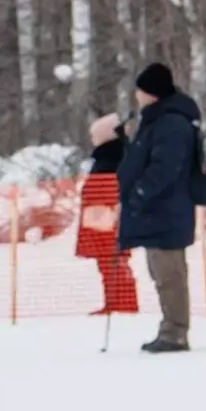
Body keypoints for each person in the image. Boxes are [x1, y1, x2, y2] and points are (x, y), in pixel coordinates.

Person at [117, 64, 199, 353]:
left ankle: (175, 331)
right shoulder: (157, 120)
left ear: (152, 92)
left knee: (169, 274)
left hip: (165, 211)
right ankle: (171, 327)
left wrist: (141, 192)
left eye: (140, 89)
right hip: (159, 212)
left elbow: (165, 167)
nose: (137, 95)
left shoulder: (170, 123)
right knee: (161, 272)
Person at [76, 114, 137, 315]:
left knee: (112, 259)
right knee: (109, 260)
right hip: (104, 213)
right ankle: (116, 301)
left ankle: (121, 303)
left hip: (106, 214)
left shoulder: (111, 156)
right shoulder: (116, 153)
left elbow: (110, 186)